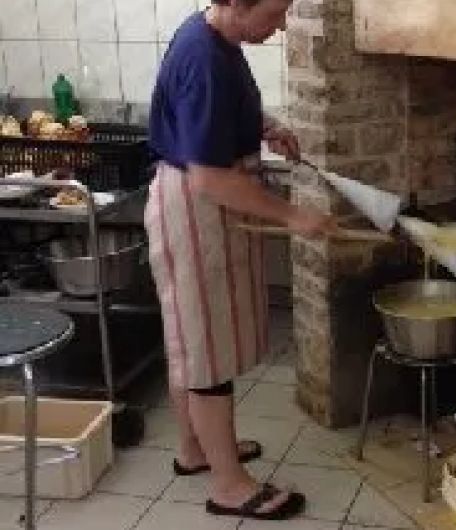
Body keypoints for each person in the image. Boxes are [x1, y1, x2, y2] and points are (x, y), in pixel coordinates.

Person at [145, 0, 335, 520]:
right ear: (233, 3)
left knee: (195, 337)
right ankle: (227, 485)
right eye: (273, 15)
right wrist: (293, 216)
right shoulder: (203, 57)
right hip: (197, 207)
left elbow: (212, 117)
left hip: (207, 204)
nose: (277, 28)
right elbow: (209, 176)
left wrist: (264, 123)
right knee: (205, 348)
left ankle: (194, 451)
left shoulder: (220, 40)